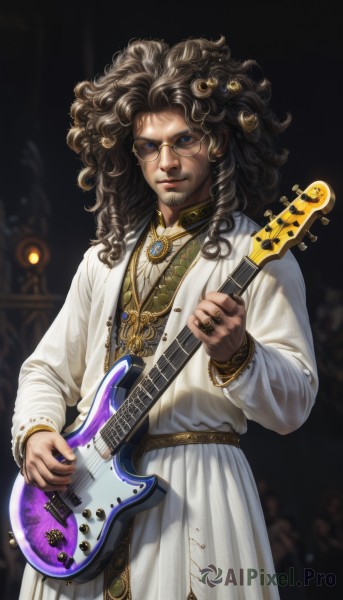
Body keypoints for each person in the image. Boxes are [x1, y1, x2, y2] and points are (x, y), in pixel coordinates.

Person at [10, 35, 318, 600]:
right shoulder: (105, 258)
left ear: (220, 142)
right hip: (82, 496)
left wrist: (239, 355)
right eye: (149, 147)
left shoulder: (260, 255)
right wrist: (35, 434)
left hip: (199, 490)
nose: (167, 162)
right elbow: (45, 371)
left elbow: (296, 401)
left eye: (184, 141)